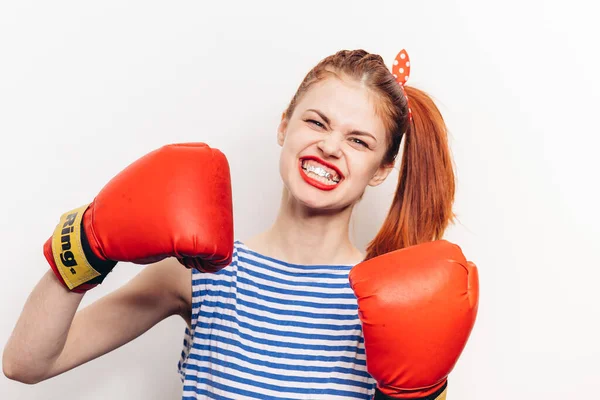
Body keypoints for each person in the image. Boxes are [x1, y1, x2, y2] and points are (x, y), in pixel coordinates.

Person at [2, 49, 476, 400]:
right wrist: (87, 244)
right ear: (284, 126)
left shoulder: (392, 302)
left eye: (358, 140)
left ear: (381, 170)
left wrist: (424, 392)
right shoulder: (202, 272)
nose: (331, 146)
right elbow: (26, 364)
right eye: (316, 122)